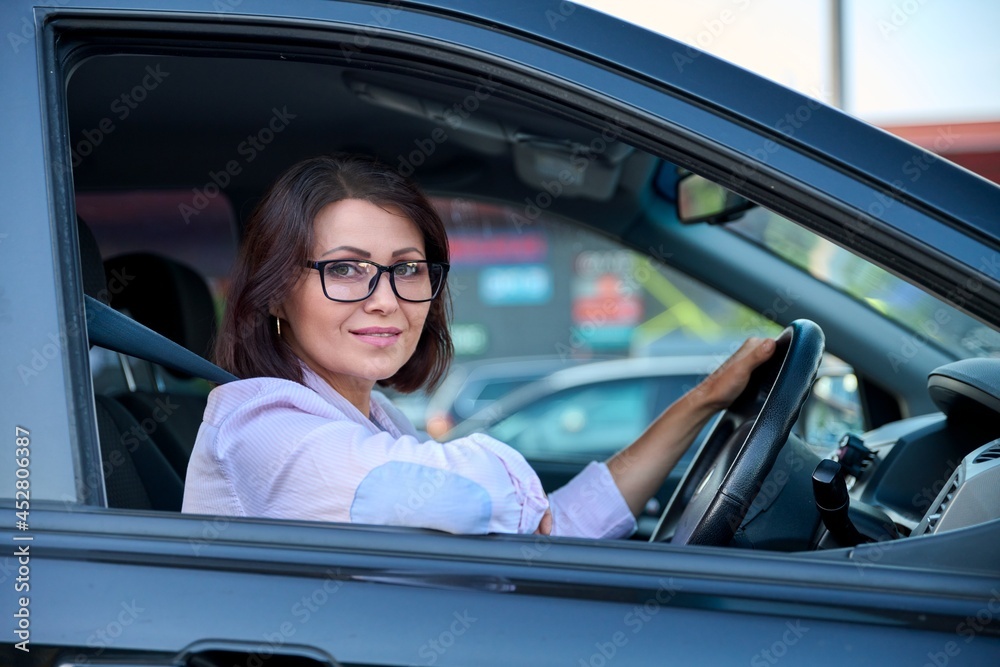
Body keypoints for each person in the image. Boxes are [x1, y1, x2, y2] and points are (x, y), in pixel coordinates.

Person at [182, 154, 775, 538]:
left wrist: (700, 402)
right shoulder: (257, 423)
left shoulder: (375, 421)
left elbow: (553, 532)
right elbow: (467, 496)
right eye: (344, 269)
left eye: (408, 269)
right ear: (276, 292)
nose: (386, 299)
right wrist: (520, 492)